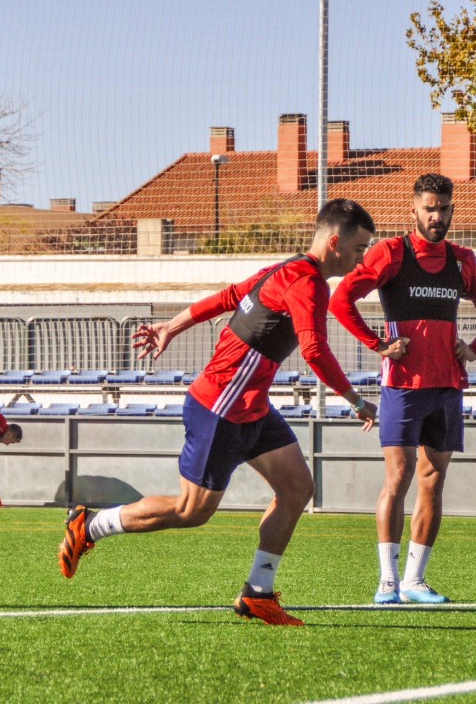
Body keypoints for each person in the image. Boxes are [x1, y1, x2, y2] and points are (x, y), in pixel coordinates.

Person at [57, 198, 379, 626]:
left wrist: (171, 325)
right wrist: (356, 401)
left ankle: (257, 593)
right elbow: (315, 350)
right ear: (335, 242)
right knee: (192, 512)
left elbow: (228, 296)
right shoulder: (308, 283)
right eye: (358, 249)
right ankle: (89, 525)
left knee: (297, 488)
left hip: (252, 407)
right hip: (221, 405)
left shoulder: (284, 270)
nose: (360, 260)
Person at [330, 173, 476, 605]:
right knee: (399, 476)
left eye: (444, 208)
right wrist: (378, 344)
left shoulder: (462, 260)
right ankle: (387, 581)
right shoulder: (392, 253)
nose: (437, 216)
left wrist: (475, 348)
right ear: (414, 209)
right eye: (430, 207)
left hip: (447, 385)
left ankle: (414, 580)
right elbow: (340, 301)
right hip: (402, 387)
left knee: (433, 480)